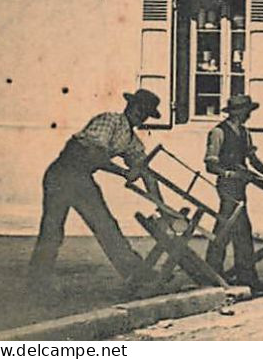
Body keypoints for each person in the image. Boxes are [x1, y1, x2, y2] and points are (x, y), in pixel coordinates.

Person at [29, 90, 168, 286]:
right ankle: (37, 279)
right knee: (52, 228)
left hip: (82, 178)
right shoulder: (109, 120)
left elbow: (146, 173)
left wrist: (162, 207)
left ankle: (135, 273)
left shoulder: (131, 141)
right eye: (138, 108)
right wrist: (123, 172)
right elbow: (93, 154)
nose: (140, 114)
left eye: (145, 112)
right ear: (129, 105)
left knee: (106, 225)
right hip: (61, 174)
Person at [205, 94, 263, 290]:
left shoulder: (245, 133)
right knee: (232, 228)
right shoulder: (218, 132)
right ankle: (234, 275)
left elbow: (252, 159)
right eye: (246, 112)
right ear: (237, 112)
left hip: (241, 186)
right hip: (227, 186)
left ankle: (218, 272)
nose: (248, 115)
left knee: (231, 229)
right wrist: (229, 173)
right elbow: (210, 164)